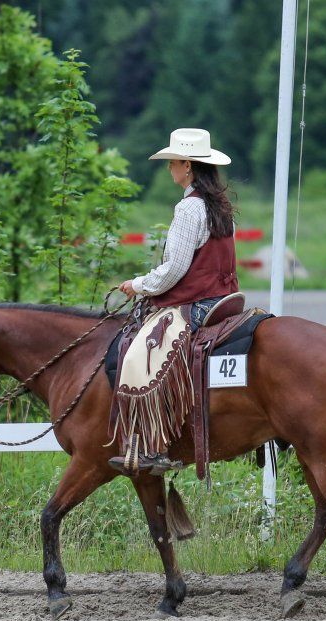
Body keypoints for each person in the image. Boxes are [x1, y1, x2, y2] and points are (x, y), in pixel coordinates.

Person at [108, 128, 239, 476]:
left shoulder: (188, 208)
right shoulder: (221, 208)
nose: (169, 169)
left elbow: (175, 269)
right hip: (223, 299)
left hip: (194, 302)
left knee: (142, 350)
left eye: (172, 163)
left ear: (188, 166)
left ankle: (152, 443)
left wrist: (138, 285)